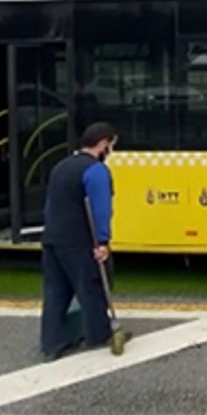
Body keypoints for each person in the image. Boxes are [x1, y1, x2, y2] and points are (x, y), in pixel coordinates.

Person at [40, 122, 129, 359]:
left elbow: (50, 206)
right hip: (80, 240)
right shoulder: (97, 171)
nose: (111, 151)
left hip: (52, 238)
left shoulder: (61, 166)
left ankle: (51, 343)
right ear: (103, 144)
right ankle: (98, 334)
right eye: (111, 145)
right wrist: (102, 242)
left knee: (56, 292)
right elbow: (101, 210)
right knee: (92, 287)